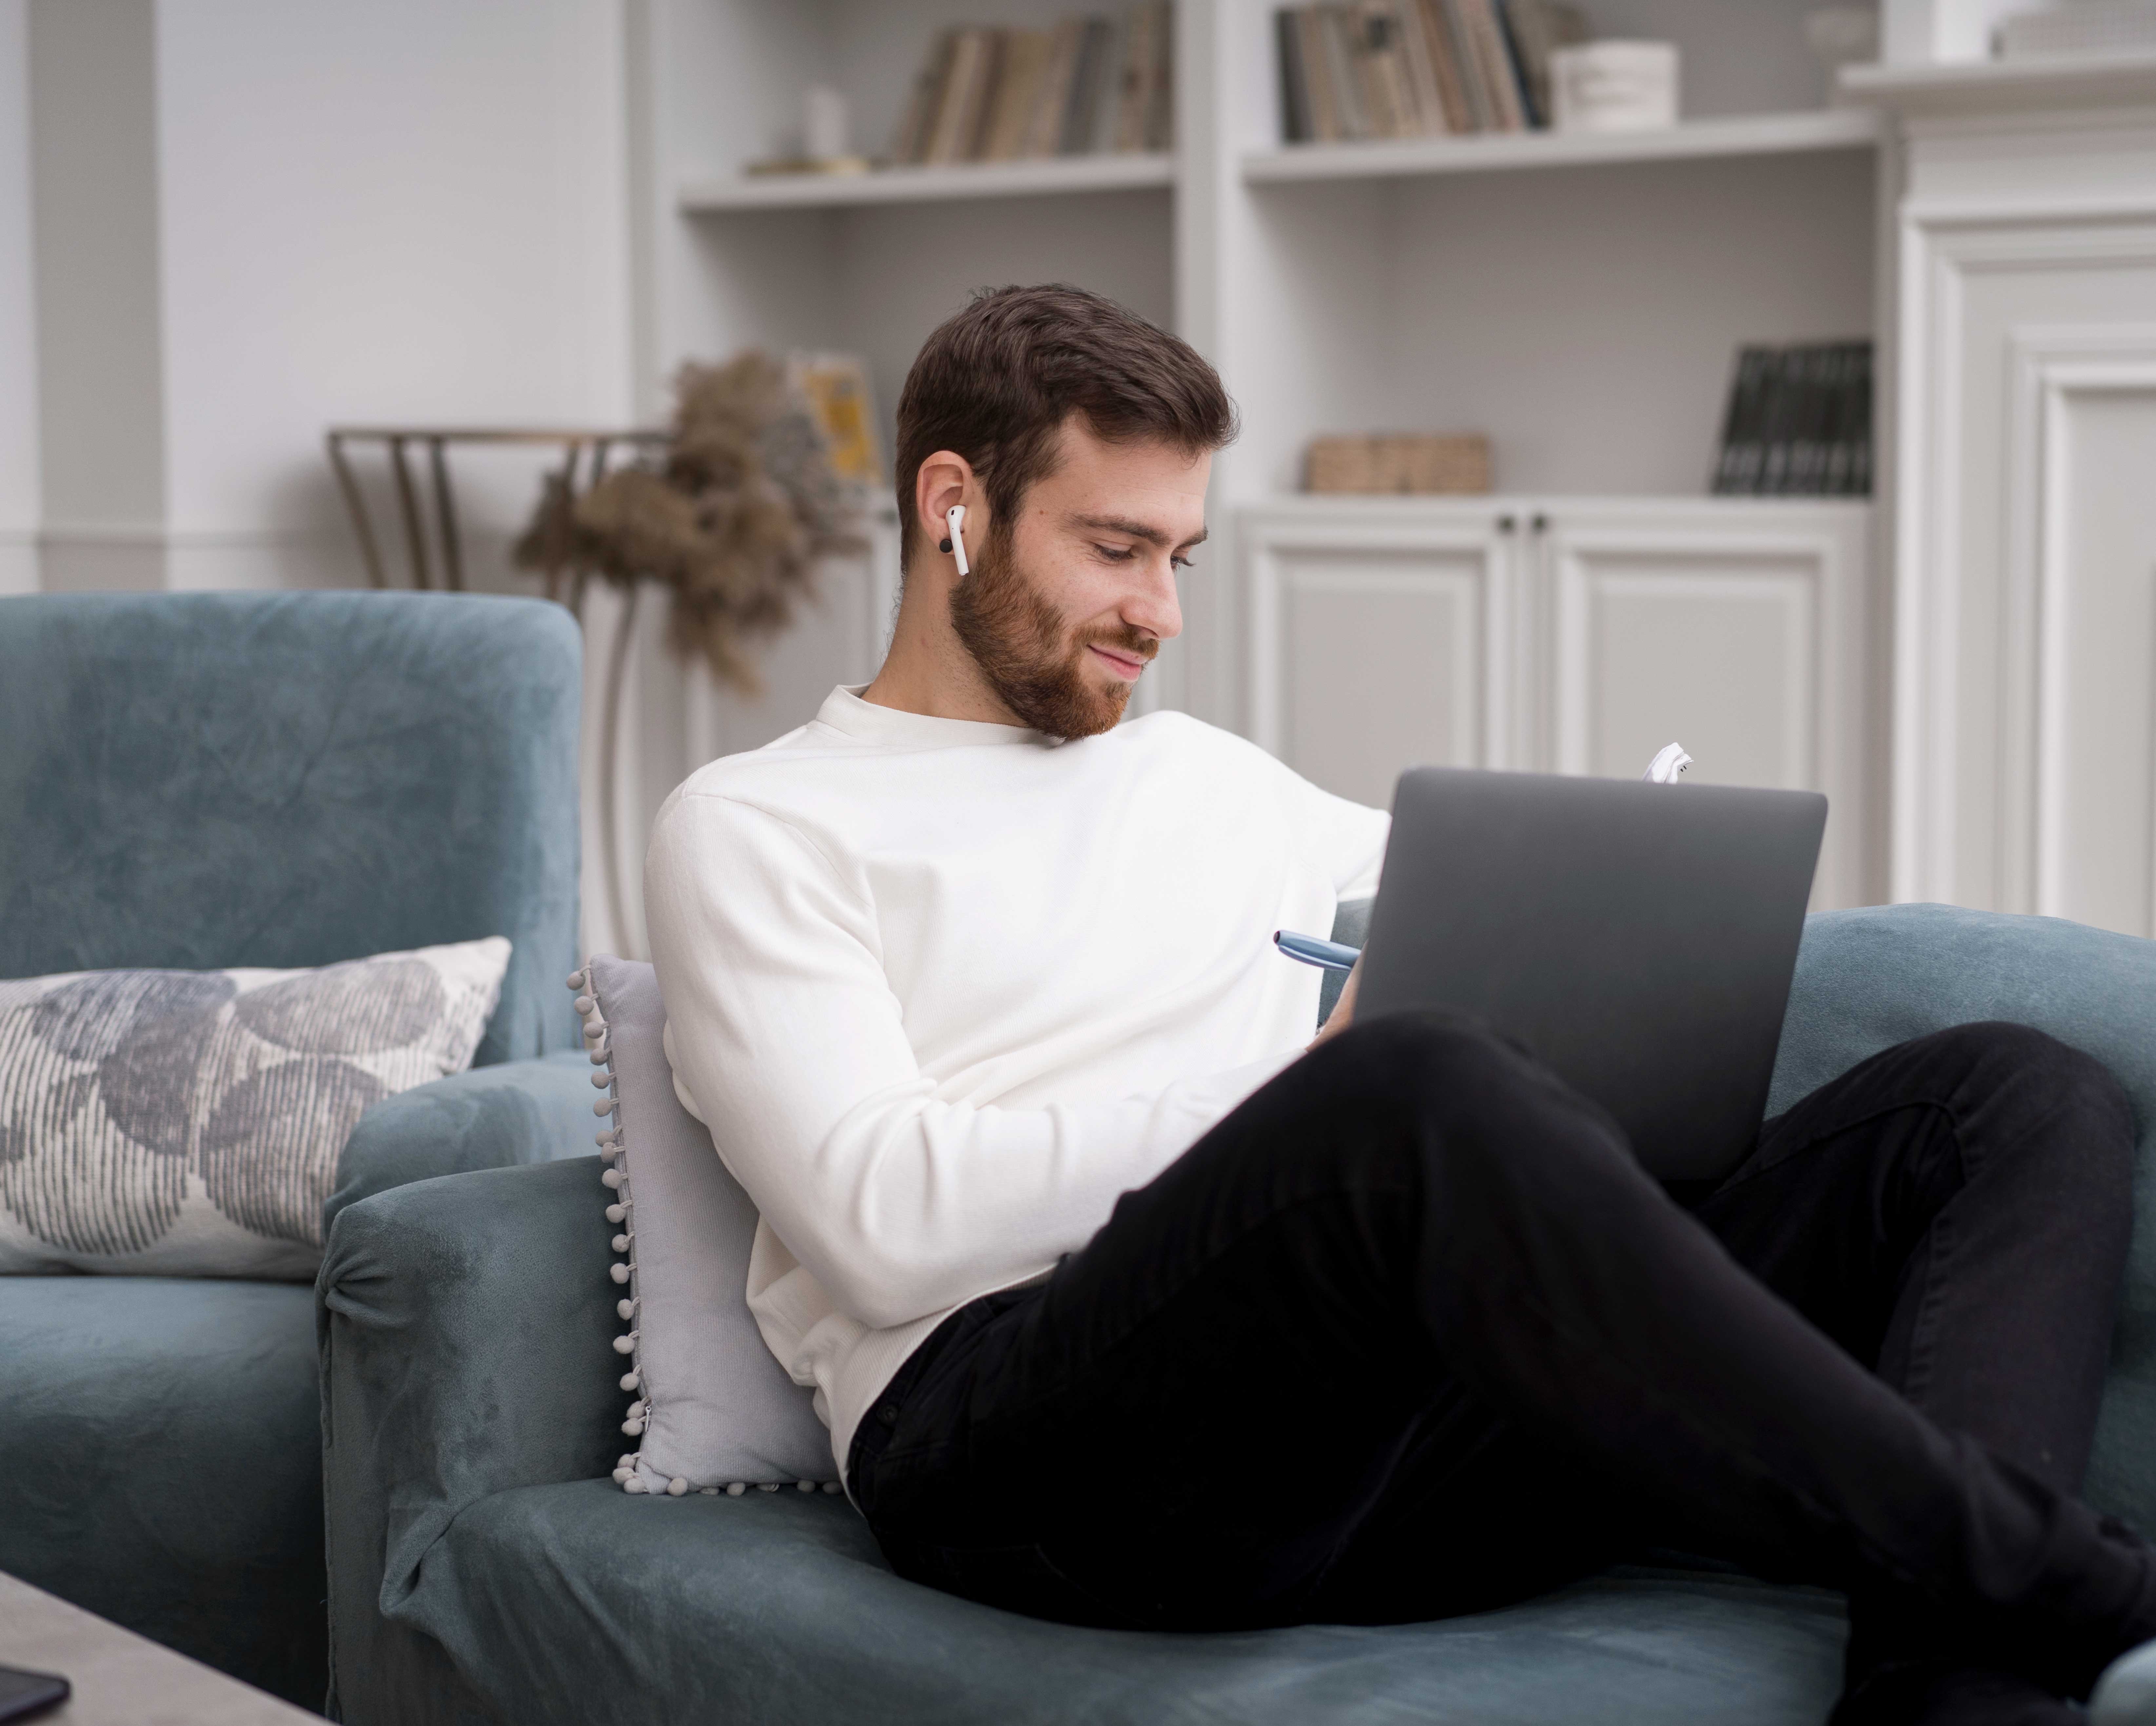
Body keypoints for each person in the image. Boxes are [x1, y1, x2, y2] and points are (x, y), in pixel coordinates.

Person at [644, 284, 2150, 1726]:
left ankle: (1953, 1694)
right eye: (1116, 546)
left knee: (2008, 1096)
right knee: (1410, 1088)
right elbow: (876, 1218)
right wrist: (1310, 1096)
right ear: (951, 502)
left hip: (1394, 1442)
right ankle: (2055, 1571)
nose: (1158, 611)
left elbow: (1484, 924)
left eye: (1182, 557)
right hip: (1032, 1454)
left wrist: (1637, 904)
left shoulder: (1204, 777)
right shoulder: (761, 826)